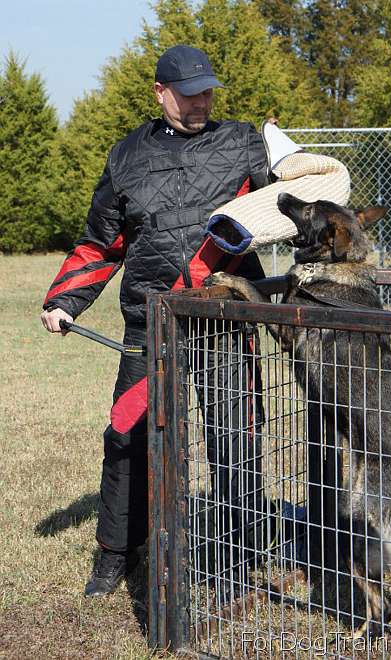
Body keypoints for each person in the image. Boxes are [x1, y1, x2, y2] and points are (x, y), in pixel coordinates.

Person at [41, 45, 268, 597]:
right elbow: (102, 241)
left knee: (234, 441)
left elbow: (292, 200)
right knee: (127, 436)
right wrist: (64, 300)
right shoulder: (126, 156)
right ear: (160, 93)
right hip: (150, 326)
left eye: (207, 92)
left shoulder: (245, 144)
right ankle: (118, 552)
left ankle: (237, 561)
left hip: (224, 320)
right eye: (188, 94)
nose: (199, 103)